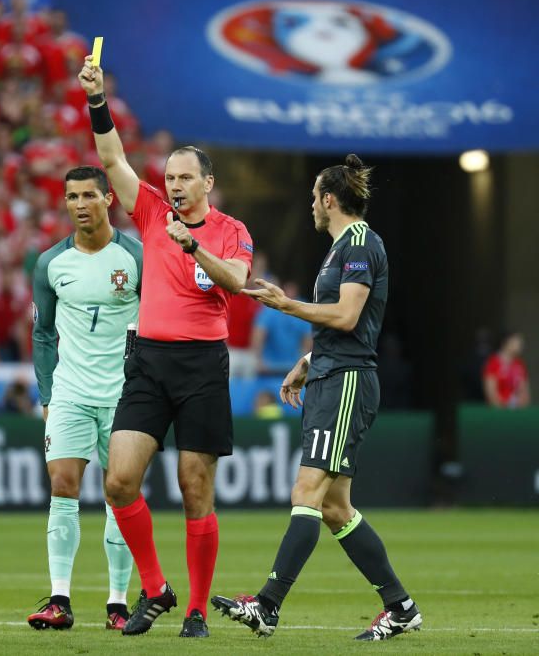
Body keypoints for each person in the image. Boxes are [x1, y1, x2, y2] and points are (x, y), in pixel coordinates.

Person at [211, 155, 422, 642]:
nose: (310, 205)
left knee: (306, 493)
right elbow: (344, 328)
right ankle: (400, 607)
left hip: (348, 381)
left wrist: (287, 306)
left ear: (329, 199)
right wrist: (306, 365)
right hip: (330, 374)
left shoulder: (362, 244)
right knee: (334, 508)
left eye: (313, 197)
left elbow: (348, 317)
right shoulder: (339, 249)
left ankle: (266, 604)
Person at [78, 58, 253, 637]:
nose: (174, 186)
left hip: (203, 364)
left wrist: (191, 247)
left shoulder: (230, 230)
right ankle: (157, 589)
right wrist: (98, 100)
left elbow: (233, 283)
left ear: (207, 183)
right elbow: (111, 160)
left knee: (194, 487)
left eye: (185, 179)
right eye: (170, 177)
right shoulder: (150, 209)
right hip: (149, 361)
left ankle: (198, 610)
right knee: (118, 481)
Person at [28, 165, 142, 632]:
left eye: (89, 195)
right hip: (71, 391)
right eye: (72, 196)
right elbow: (41, 333)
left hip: (122, 394)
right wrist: (47, 395)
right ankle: (59, 600)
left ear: (108, 199)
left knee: (120, 492)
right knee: (62, 487)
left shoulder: (136, 255)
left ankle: (117, 604)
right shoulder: (50, 263)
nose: (80, 204)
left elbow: (156, 323)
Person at [482, 332, 530, 408]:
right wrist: (503, 407)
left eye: (520, 344)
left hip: (516, 410)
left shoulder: (520, 364)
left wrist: (520, 404)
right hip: (498, 411)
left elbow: (524, 391)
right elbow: (491, 392)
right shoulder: (493, 363)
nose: (519, 346)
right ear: (505, 343)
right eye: (515, 342)